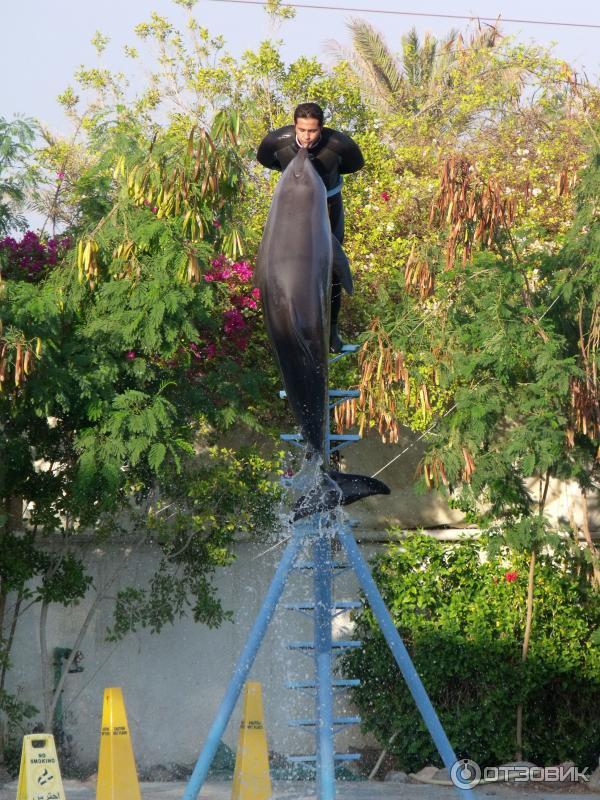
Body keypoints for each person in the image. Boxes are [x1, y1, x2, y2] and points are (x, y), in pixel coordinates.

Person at [257, 102, 364, 352]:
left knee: (332, 268)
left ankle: (332, 333)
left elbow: (354, 165)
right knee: (281, 265)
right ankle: (284, 331)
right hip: (292, 208)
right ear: (294, 126)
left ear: (322, 129)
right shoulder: (277, 142)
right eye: (302, 130)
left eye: (313, 131)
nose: (306, 137)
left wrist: (324, 180)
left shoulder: (339, 144)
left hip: (328, 206)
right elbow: (265, 160)